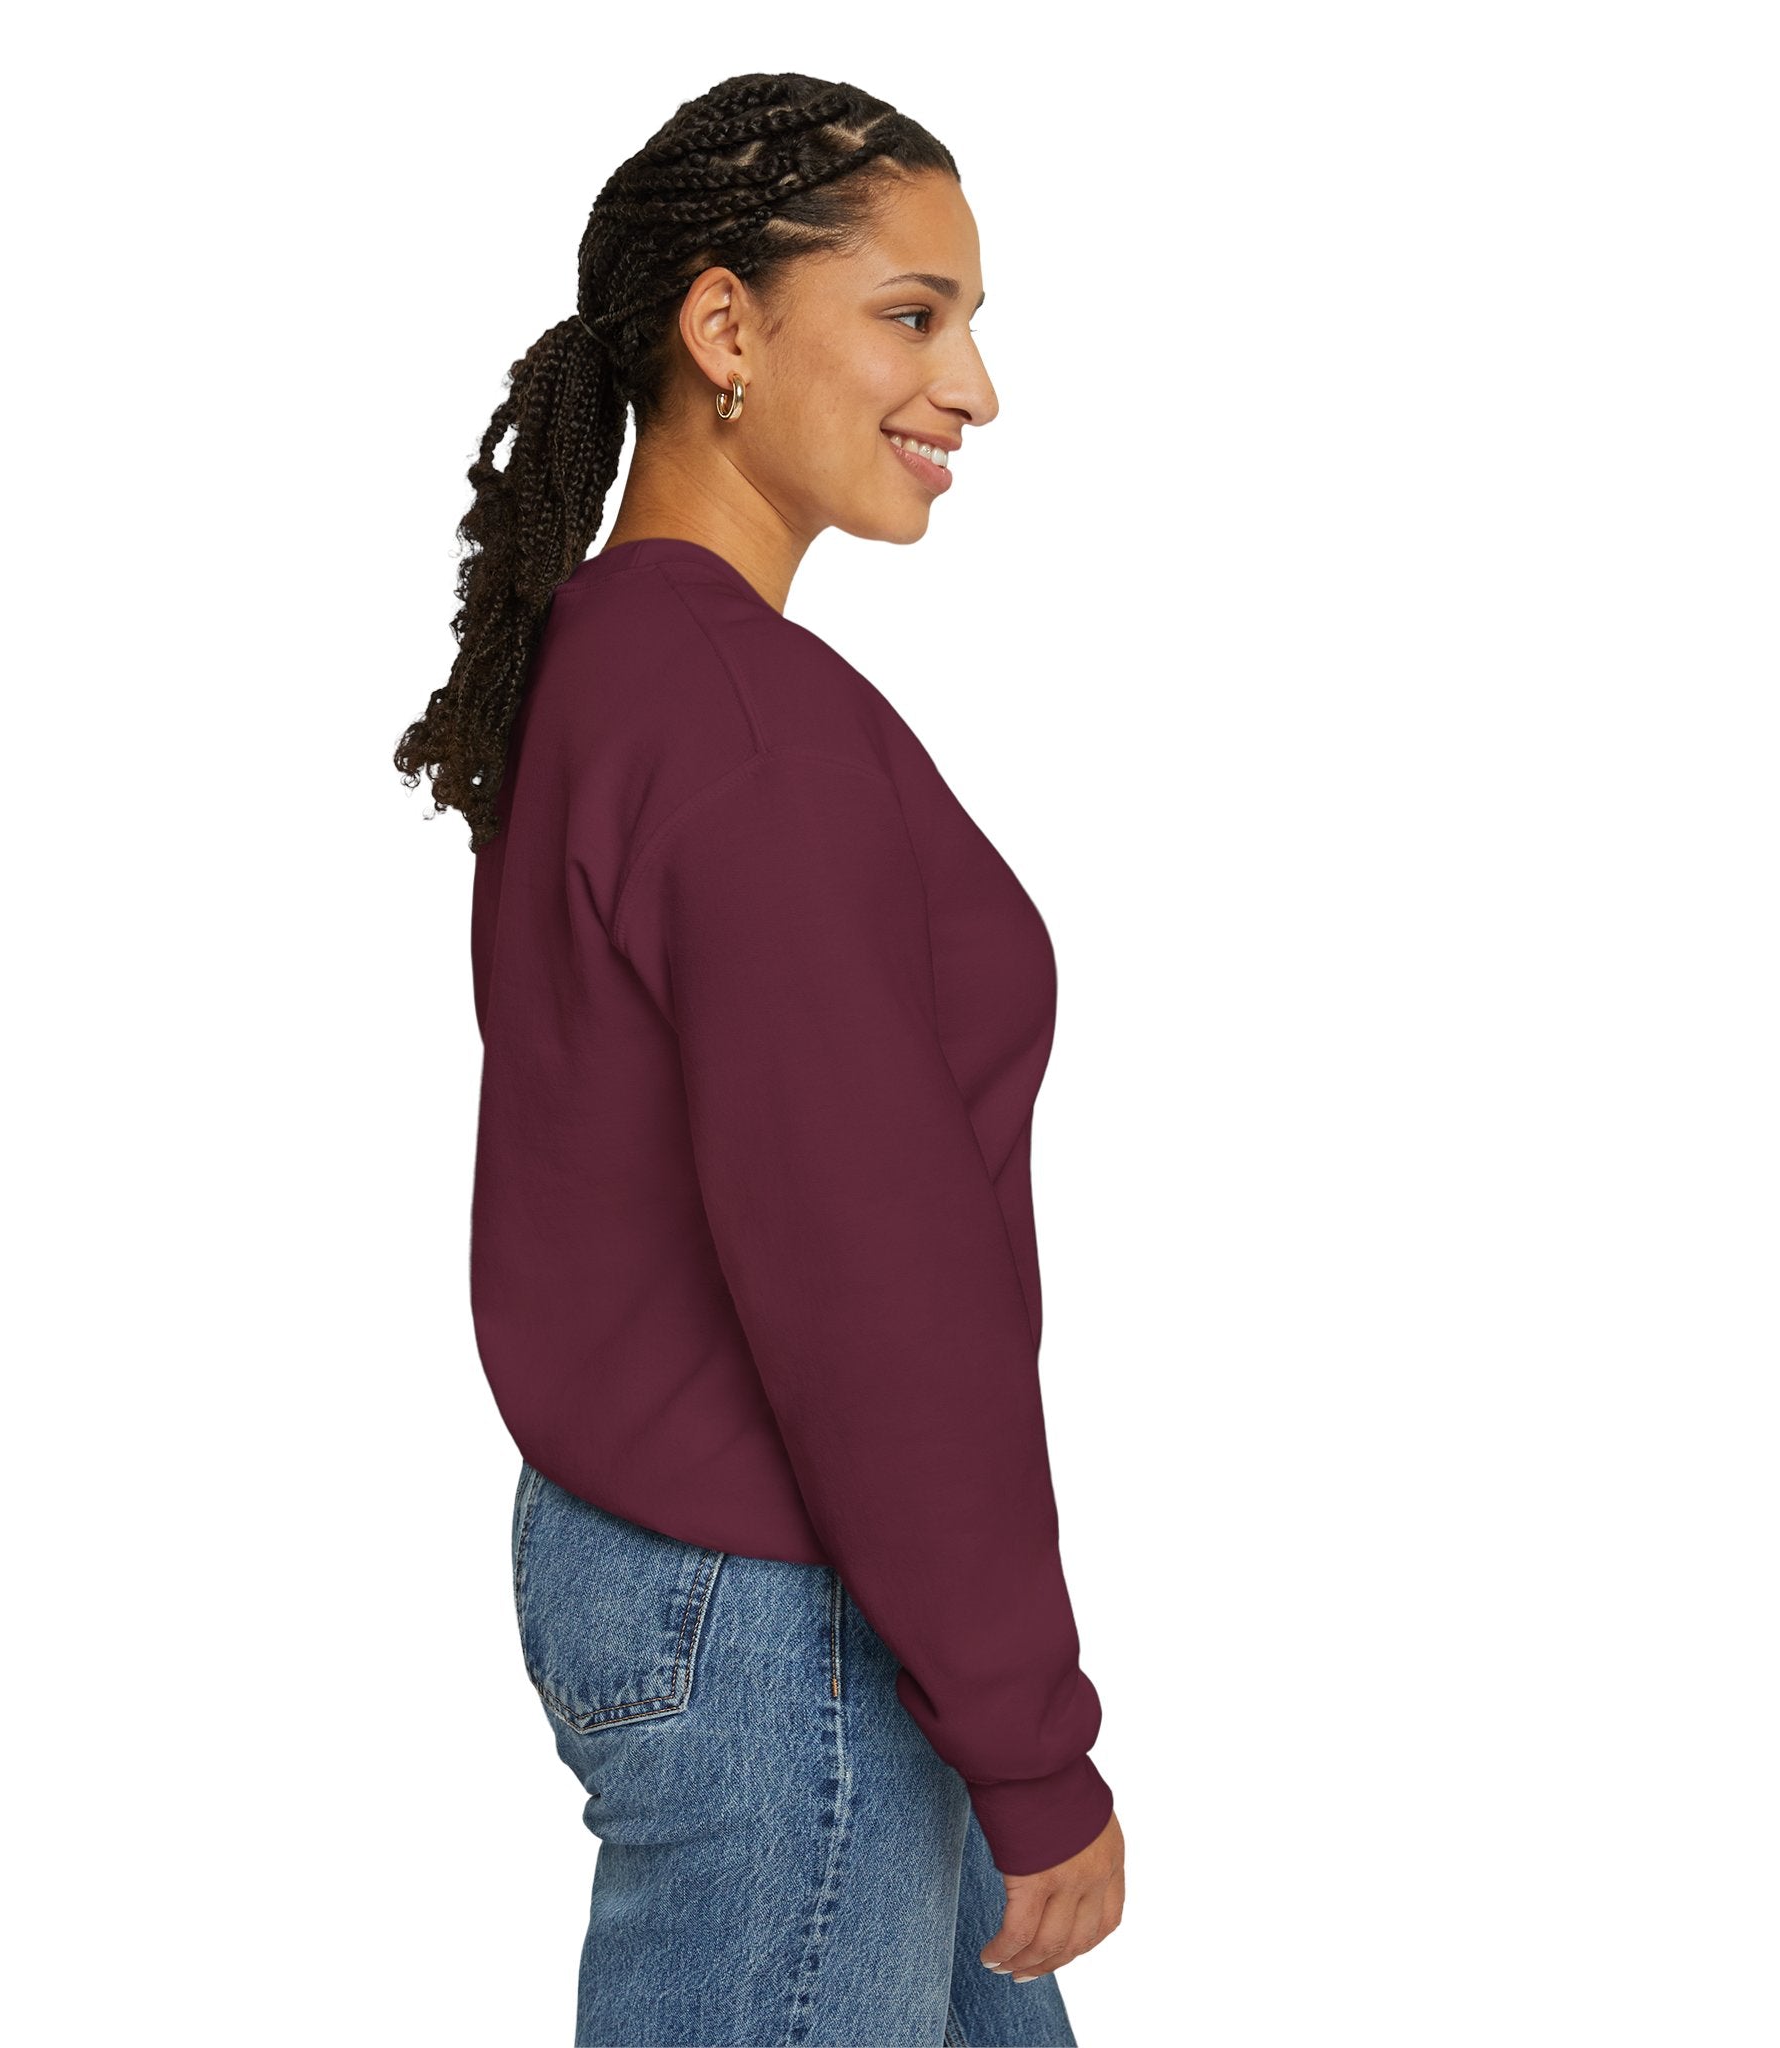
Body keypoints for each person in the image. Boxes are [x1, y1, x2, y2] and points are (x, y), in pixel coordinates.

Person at [396, 70, 1127, 2048]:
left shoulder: (628, 668)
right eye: (911, 315)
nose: (971, 387)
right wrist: (1033, 1739)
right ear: (724, 330)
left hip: (755, 1583)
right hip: (782, 1607)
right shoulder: (738, 722)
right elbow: (864, 1277)